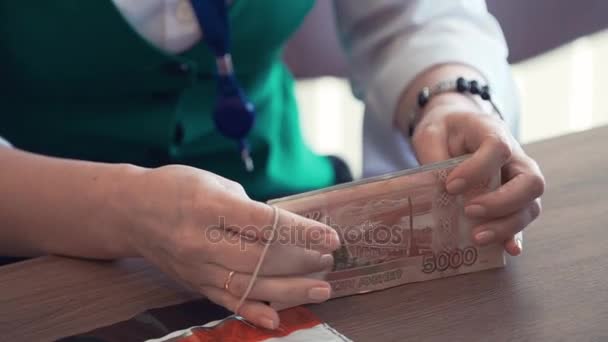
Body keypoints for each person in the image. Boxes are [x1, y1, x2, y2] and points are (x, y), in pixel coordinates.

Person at [0, 0, 544, 330]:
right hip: (45, 272)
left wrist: (452, 97)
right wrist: (126, 212)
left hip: (299, 233)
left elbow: (410, 17)